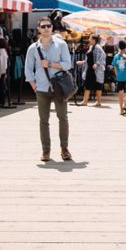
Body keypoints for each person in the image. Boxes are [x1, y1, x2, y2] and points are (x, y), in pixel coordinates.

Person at [24, 17, 72, 162]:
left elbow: (68, 64)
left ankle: (64, 148)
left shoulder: (61, 44)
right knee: (43, 120)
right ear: (38, 29)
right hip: (42, 88)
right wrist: (34, 86)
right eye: (43, 26)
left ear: (52, 28)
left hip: (59, 88)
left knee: (63, 118)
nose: (46, 29)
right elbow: (28, 69)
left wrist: (50, 64)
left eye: (48, 26)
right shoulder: (33, 48)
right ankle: (46, 150)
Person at [77, 35, 106, 106]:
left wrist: (97, 63)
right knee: (88, 84)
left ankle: (97, 102)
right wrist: (83, 62)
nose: (89, 39)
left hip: (95, 69)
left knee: (97, 85)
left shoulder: (98, 47)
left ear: (93, 39)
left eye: (90, 38)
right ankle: (86, 101)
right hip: (90, 69)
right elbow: (89, 59)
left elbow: (103, 56)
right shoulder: (91, 47)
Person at [111, 40, 126, 114]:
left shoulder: (116, 56)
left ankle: (121, 110)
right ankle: (125, 105)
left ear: (118, 47)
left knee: (120, 92)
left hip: (119, 77)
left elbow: (114, 67)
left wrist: (117, 75)